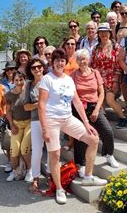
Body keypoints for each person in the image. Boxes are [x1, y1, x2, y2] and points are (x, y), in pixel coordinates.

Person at [38, 48, 107, 204]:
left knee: (93, 139)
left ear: (66, 62)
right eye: (57, 60)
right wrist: (44, 129)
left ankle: (88, 176)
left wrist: (86, 123)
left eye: (62, 60)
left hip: (68, 118)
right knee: (55, 155)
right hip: (51, 120)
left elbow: (76, 102)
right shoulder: (47, 79)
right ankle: (59, 188)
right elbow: (41, 105)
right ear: (52, 62)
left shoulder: (69, 79)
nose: (60, 63)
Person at [72, 49, 119, 175]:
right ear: (76, 61)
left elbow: (102, 92)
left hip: (95, 106)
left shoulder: (95, 73)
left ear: (89, 59)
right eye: (79, 59)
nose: (82, 61)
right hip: (79, 108)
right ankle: (81, 164)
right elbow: (73, 96)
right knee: (81, 136)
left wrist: (97, 109)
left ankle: (108, 154)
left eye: (84, 59)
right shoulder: (73, 76)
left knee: (107, 131)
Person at [91, 23, 127, 128]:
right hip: (98, 79)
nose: (103, 34)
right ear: (98, 34)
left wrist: (116, 81)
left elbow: (118, 65)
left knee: (110, 99)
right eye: (101, 32)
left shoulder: (115, 46)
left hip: (112, 78)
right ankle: (103, 123)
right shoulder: (95, 48)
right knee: (100, 101)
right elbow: (93, 64)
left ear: (109, 33)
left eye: (106, 32)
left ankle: (123, 118)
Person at [24, 58, 49, 192]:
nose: (37, 69)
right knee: (37, 151)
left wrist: (41, 103)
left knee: (51, 150)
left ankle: (50, 176)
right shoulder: (29, 85)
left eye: (39, 66)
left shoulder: (50, 79)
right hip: (36, 120)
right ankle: (35, 178)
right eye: (33, 68)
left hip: (50, 119)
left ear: (43, 67)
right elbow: (26, 107)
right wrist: (39, 103)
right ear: (30, 70)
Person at [5, 70, 33, 182]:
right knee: (14, 150)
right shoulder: (9, 95)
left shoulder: (28, 91)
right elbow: (8, 111)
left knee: (24, 148)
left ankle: (29, 170)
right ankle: (15, 170)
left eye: (21, 79)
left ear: (24, 80)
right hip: (16, 123)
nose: (19, 82)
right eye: (16, 80)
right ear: (13, 81)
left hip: (29, 122)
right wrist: (11, 125)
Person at [0, 60, 17, 173]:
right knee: (7, 139)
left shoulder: (19, 81)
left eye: (12, 69)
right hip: (5, 113)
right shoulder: (1, 84)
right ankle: (10, 161)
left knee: (17, 138)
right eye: (8, 70)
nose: (10, 71)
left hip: (19, 113)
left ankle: (18, 162)